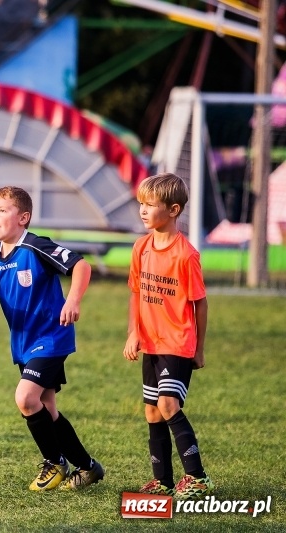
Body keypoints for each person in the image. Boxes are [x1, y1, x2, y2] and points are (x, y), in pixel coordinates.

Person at [0, 186, 103, 491]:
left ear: (23, 217)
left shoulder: (35, 247)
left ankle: (54, 463)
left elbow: (81, 265)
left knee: (25, 398)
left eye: (1, 211)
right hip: (23, 344)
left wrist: (73, 300)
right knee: (47, 408)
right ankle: (87, 467)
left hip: (51, 337)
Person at [123, 173, 214, 500]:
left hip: (178, 342)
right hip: (150, 342)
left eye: (150, 205)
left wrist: (199, 348)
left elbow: (199, 303)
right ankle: (162, 481)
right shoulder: (141, 247)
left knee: (168, 403)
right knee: (151, 411)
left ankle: (198, 478)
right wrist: (134, 332)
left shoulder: (185, 255)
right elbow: (136, 293)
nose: (143, 211)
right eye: (141, 204)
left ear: (173, 209)